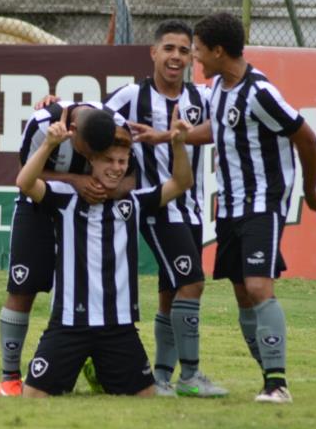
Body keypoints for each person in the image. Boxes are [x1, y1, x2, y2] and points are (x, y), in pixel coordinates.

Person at [189, 12, 316, 403]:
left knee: (257, 286)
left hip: (262, 204)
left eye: (199, 52)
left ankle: (277, 384)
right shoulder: (219, 87)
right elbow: (218, 129)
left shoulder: (260, 93)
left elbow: (306, 138)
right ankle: (267, 376)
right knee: (241, 293)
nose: (195, 59)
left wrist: (310, 189)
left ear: (219, 51)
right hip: (230, 207)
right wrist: (172, 135)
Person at [18, 106, 194, 397]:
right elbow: (24, 183)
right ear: (91, 161)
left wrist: (177, 143)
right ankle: (82, 364)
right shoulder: (65, 199)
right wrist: (49, 143)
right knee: (32, 397)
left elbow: (181, 183)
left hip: (119, 327)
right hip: (69, 325)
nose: (116, 167)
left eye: (122, 161)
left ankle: (99, 366)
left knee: (145, 400)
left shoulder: (134, 203)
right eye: (108, 160)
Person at [102, 20, 227, 397]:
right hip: (158, 209)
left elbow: (227, 125)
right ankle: (189, 376)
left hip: (191, 209)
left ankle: (159, 377)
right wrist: (54, 104)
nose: (176, 57)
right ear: (153, 53)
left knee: (172, 292)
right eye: (169, 49)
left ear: (192, 58)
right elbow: (90, 121)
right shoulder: (129, 97)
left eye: (184, 50)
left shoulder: (202, 99)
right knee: (192, 283)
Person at [0, 101, 130, 396]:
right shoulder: (42, 123)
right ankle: (10, 375)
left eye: (100, 152)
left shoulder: (117, 123)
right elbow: (24, 174)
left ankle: (93, 362)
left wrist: (104, 189)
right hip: (38, 205)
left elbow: (131, 177)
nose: (92, 157)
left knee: (92, 292)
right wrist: (75, 180)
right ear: (72, 131)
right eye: (88, 151)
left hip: (88, 212)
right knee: (22, 287)